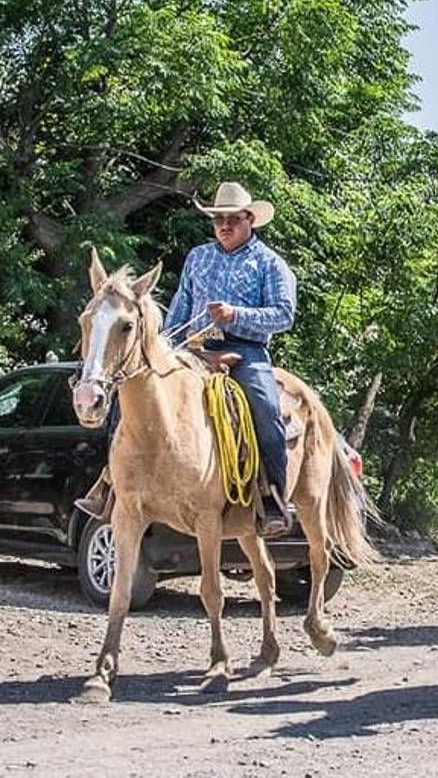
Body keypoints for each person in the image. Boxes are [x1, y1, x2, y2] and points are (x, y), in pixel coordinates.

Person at [73, 182, 297, 537]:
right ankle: (111, 484)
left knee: (265, 410)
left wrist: (235, 314)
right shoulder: (198, 257)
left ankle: (271, 498)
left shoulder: (270, 263)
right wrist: (164, 346)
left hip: (246, 351)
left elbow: (284, 315)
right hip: (192, 349)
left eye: (232, 219)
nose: (224, 225)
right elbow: (178, 312)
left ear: (249, 219)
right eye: (218, 219)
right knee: (130, 395)